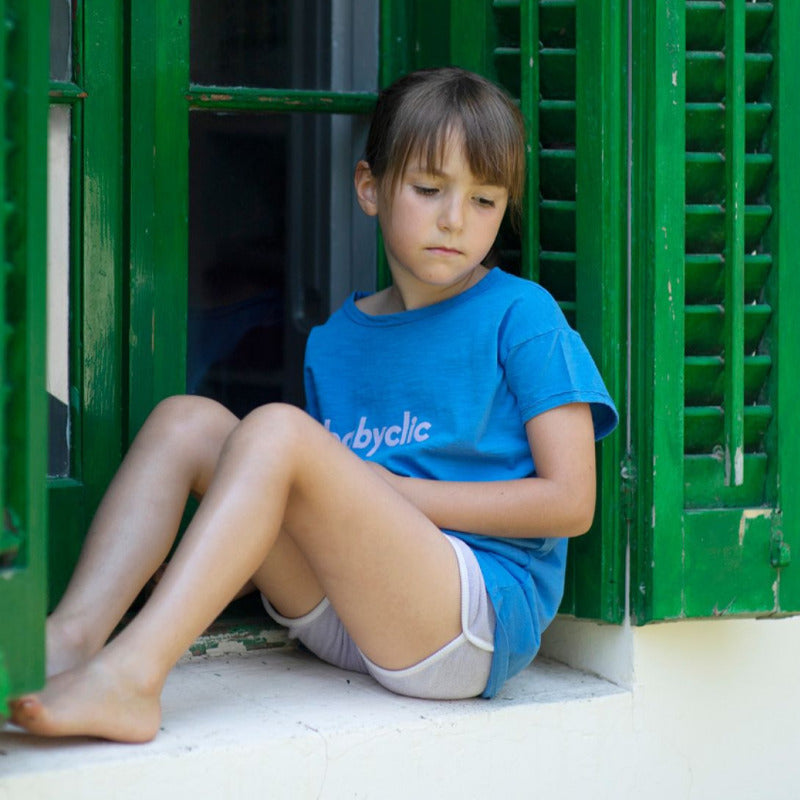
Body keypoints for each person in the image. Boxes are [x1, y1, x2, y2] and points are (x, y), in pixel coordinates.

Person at [8, 67, 617, 742]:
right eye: (429, 188)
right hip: (349, 614)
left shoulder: (520, 314)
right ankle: (67, 640)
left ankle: (132, 679)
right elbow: (305, 511)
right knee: (186, 421)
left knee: (277, 433)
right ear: (369, 188)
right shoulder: (334, 341)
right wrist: (193, 580)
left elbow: (570, 503)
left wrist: (395, 492)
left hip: (467, 622)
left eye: (485, 200)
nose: (455, 220)